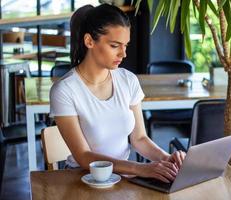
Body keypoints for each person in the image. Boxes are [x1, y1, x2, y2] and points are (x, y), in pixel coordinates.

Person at [50, 4, 186, 183]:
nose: (123, 53)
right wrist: (140, 169)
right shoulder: (65, 90)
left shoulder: (128, 80)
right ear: (89, 41)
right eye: (115, 45)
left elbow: (139, 139)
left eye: (125, 45)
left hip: (122, 180)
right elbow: (83, 156)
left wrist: (166, 159)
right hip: (82, 180)